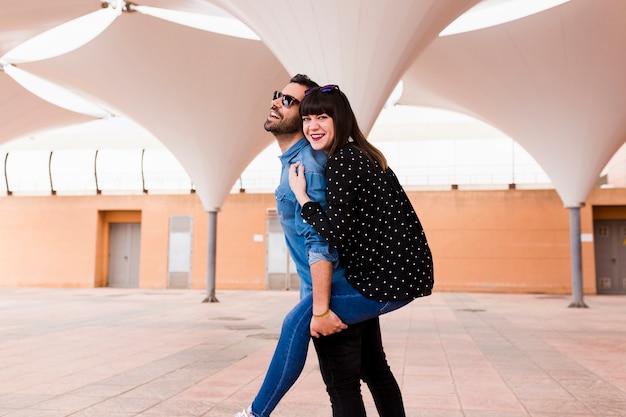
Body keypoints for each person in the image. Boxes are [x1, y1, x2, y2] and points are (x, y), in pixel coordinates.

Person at [236, 75, 432, 417]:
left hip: (347, 284)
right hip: (372, 279)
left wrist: (321, 306)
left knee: (332, 372)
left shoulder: (317, 166)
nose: (277, 102)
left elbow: (325, 242)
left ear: (337, 119)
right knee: (374, 369)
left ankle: (255, 413)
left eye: (289, 101)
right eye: (278, 96)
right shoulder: (352, 156)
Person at [288, 84, 433, 306]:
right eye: (306, 119)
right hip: (407, 275)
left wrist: (302, 197)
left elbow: (336, 236)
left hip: (384, 282)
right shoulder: (364, 153)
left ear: (341, 119)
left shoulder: (341, 162)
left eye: (322, 117)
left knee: (299, 319)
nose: (312, 126)